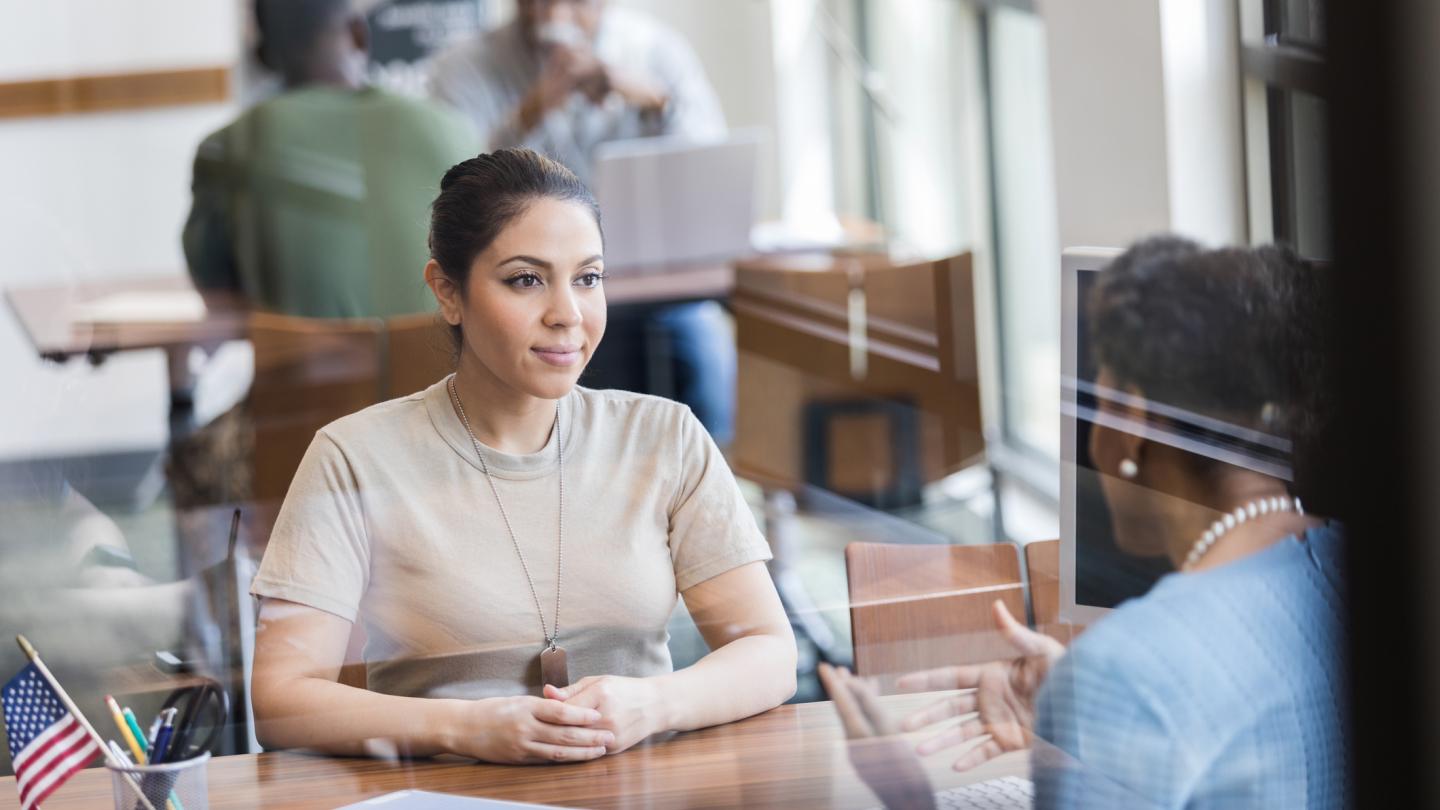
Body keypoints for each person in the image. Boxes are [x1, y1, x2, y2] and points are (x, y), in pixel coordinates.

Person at [247, 148, 797, 763]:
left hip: (640, 791)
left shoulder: (664, 437)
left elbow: (770, 653)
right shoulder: (353, 457)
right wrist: (466, 727)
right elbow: (282, 698)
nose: (567, 314)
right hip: (446, 798)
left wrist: (654, 704)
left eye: (588, 278)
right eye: (526, 279)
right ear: (448, 293)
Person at [838, 238, 1347, 808]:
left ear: (1131, 419)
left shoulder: (1128, 670)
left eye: (1100, 400)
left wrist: (911, 799)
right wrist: (1077, 706)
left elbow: (1158, 687)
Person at [428, 0, 736, 445]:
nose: (556, 12)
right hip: (541, 287)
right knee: (580, 395)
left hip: (661, 285)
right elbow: (452, 189)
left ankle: (696, 485)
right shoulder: (468, 66)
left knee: (705, 368)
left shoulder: (654, 49)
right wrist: (534, 108)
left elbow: (713, 165)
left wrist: (654, 99)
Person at [182, 0, 477, 318]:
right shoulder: (453, 131)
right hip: (438, 364)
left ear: (261, 56)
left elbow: (217, 297)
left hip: (304, 365)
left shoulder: (227, 149)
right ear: (360, 34)